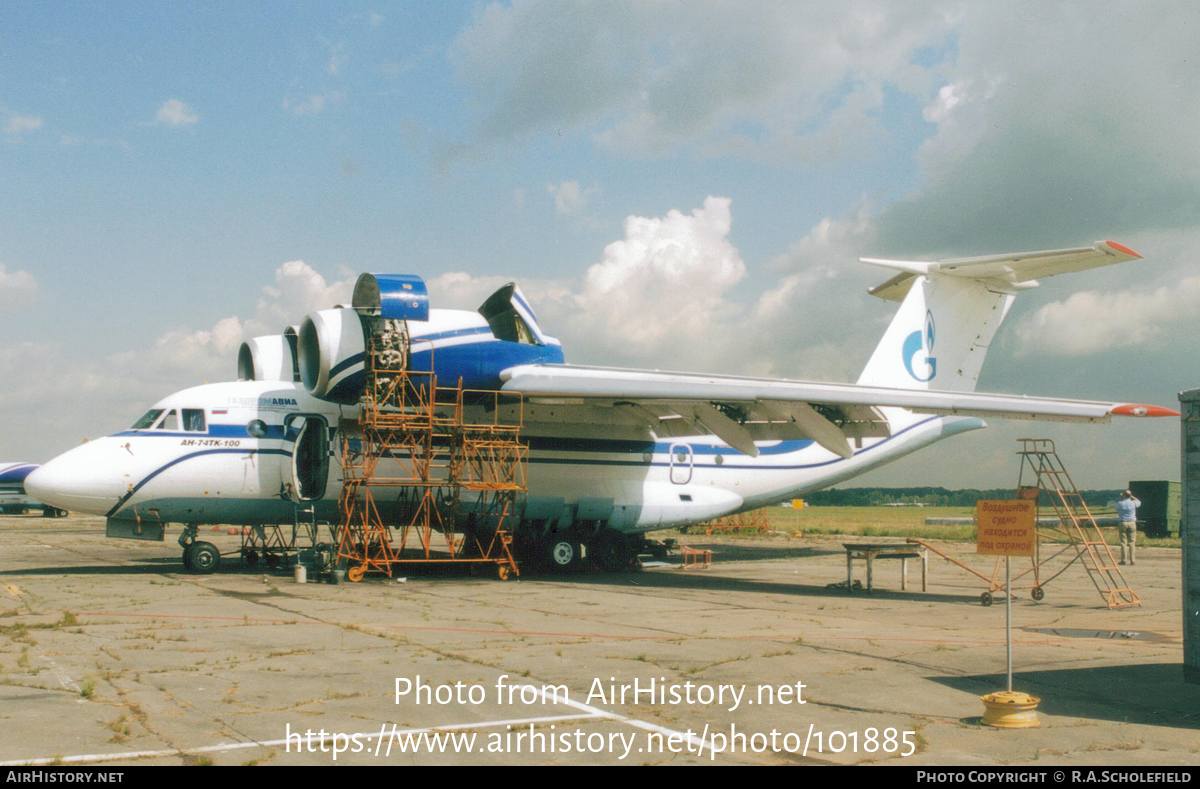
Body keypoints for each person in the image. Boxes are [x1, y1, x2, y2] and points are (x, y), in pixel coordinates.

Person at [1114, 490, 1141, 565]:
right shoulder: (1133, 503)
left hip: (1123, 522)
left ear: (1123, 495)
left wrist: (1122, 498)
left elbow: (1116, 509)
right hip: (1132, 522)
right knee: (1132, 542)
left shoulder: (1120, 503)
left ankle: (1123, 560)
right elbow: (1138, 501)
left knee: (1123, 542)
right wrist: (1131, 496)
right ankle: (1132, 560)